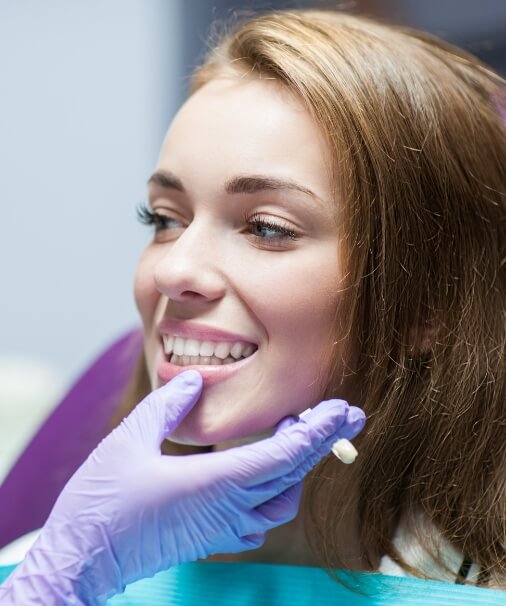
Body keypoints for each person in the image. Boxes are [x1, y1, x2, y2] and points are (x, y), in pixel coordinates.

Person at [1, 6, 505, 604]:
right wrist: (63, 577)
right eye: (164, 219)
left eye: (266, 227)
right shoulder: (51, 568)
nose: (172, 268)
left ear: (428, 307)